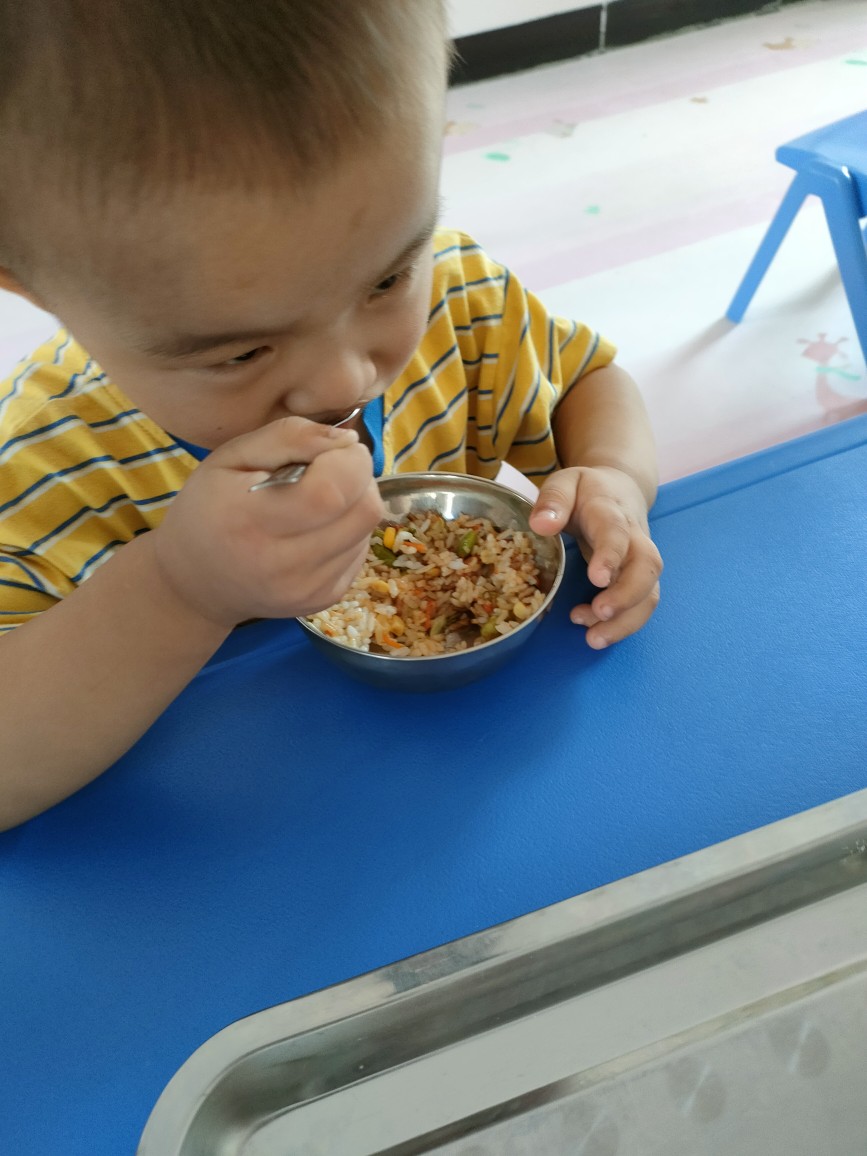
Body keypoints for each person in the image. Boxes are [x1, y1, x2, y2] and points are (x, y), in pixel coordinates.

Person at [0, 0, 662, 829]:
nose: (344, 379)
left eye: (385, 281)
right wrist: (178, 589)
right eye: (240, 354)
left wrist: (612, 477)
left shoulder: (457, 299)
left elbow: (586, 380)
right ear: (31, 284)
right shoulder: (45, 467)